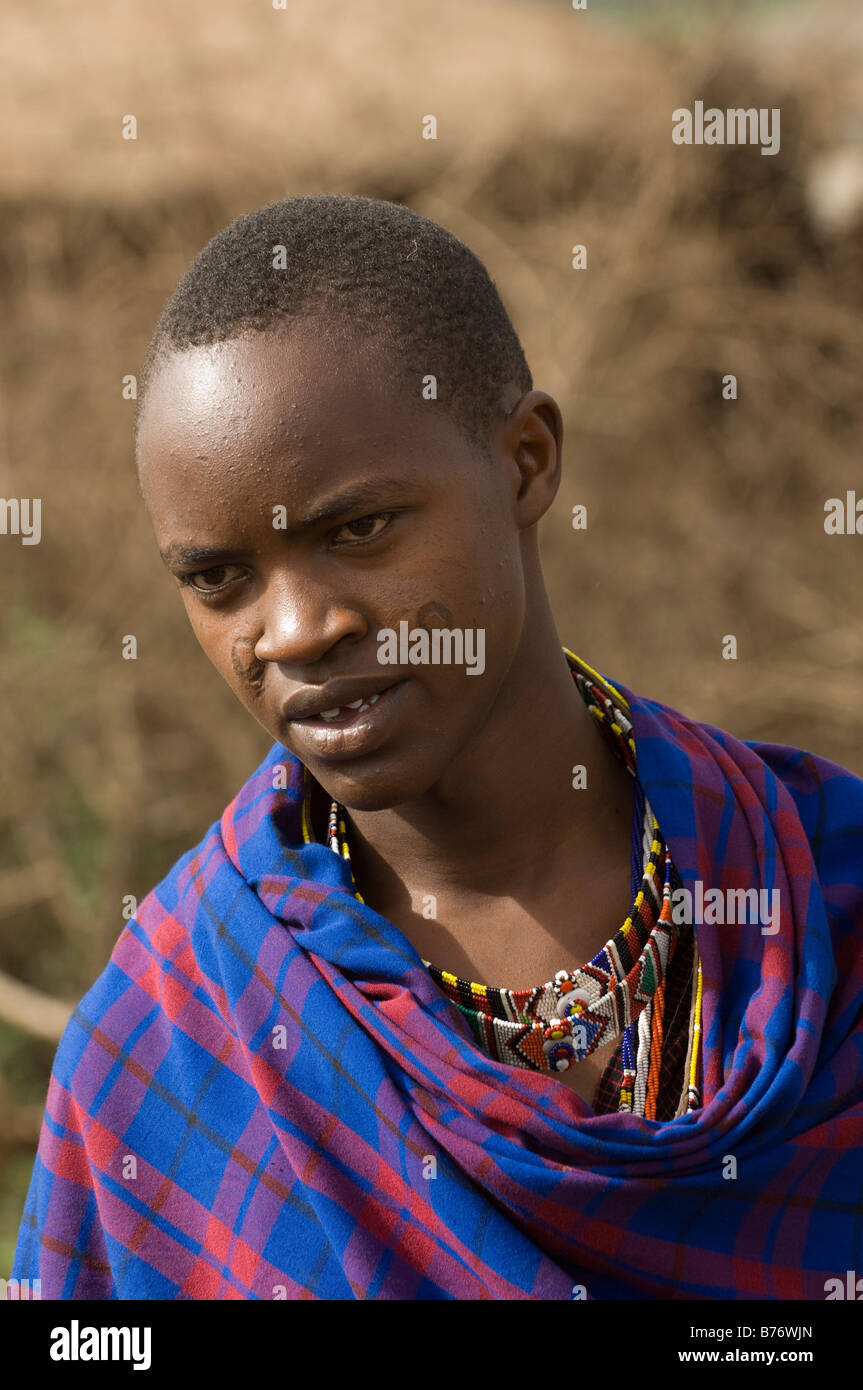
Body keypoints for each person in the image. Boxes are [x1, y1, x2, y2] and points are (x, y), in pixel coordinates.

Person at [12, 195, 863, 1300]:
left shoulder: (824, 894)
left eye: (356, 529)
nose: (295, 629)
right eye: (217, 577)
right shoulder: (167, 1046)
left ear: (524, 463)